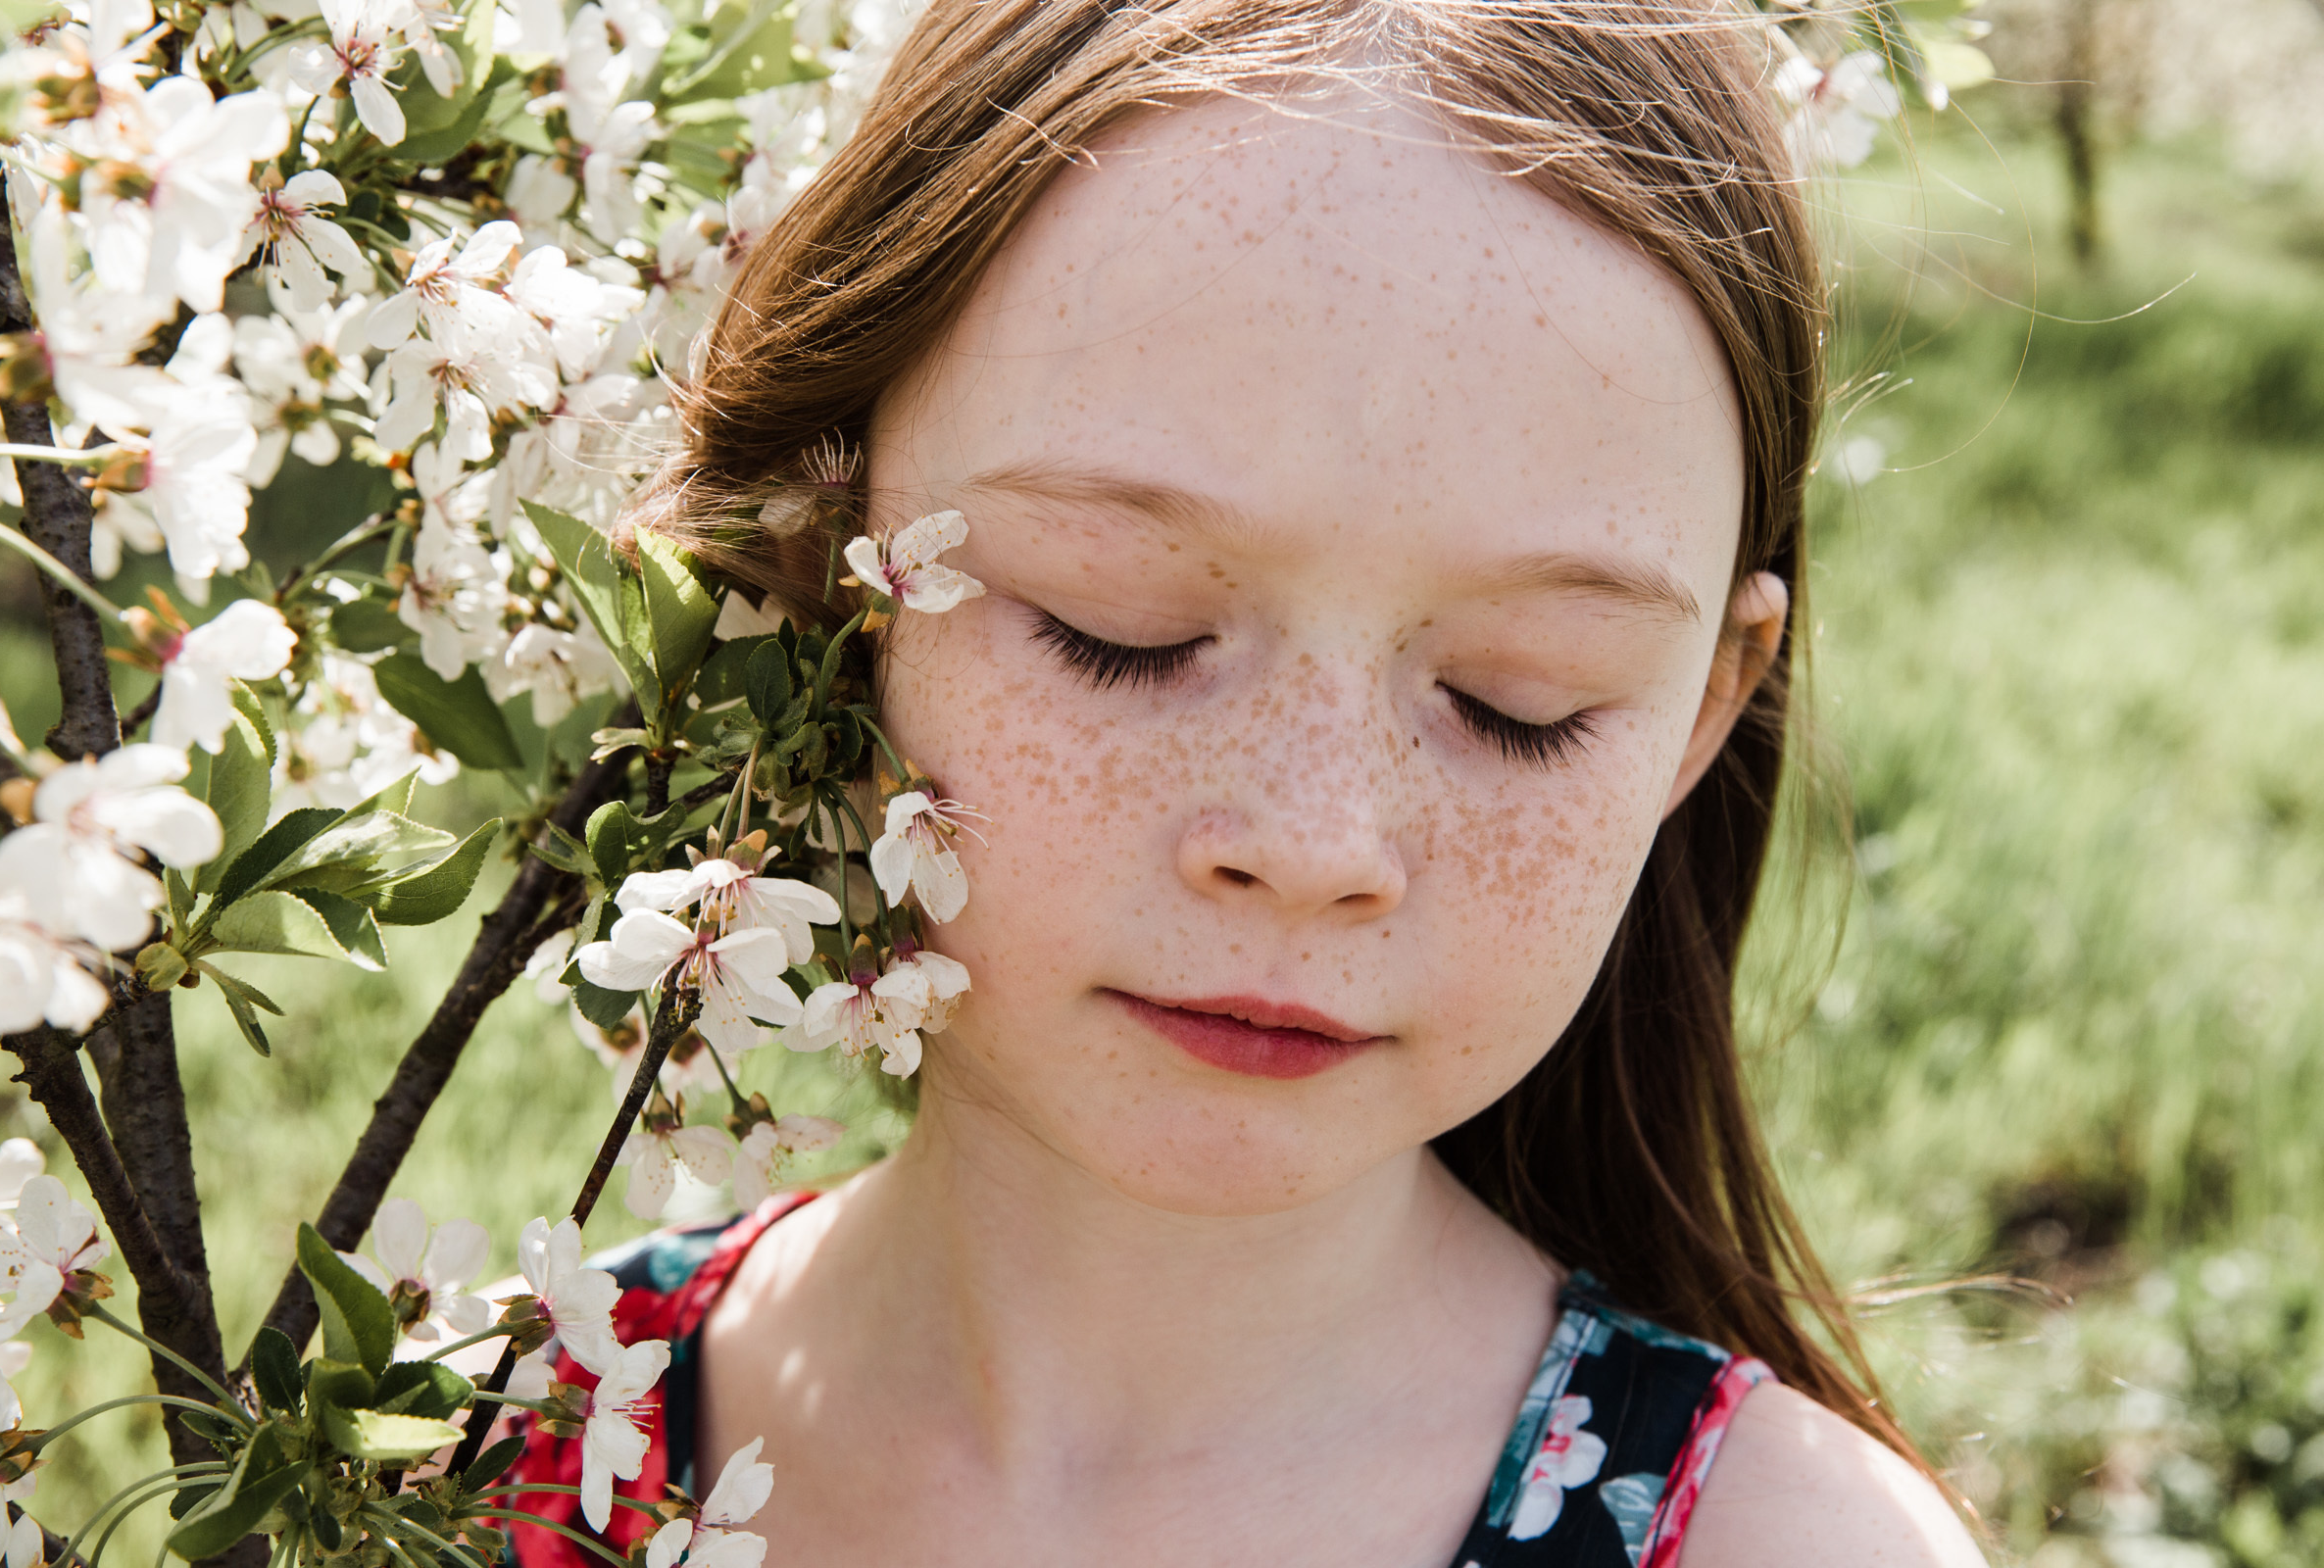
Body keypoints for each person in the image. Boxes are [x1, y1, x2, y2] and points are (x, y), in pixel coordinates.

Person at [500, 2, 1989, 1562]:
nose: (1313, 840)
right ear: (820, 565)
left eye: (1520, 704)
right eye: (1119, 628)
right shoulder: (488, 1451)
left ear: (1702, 710)